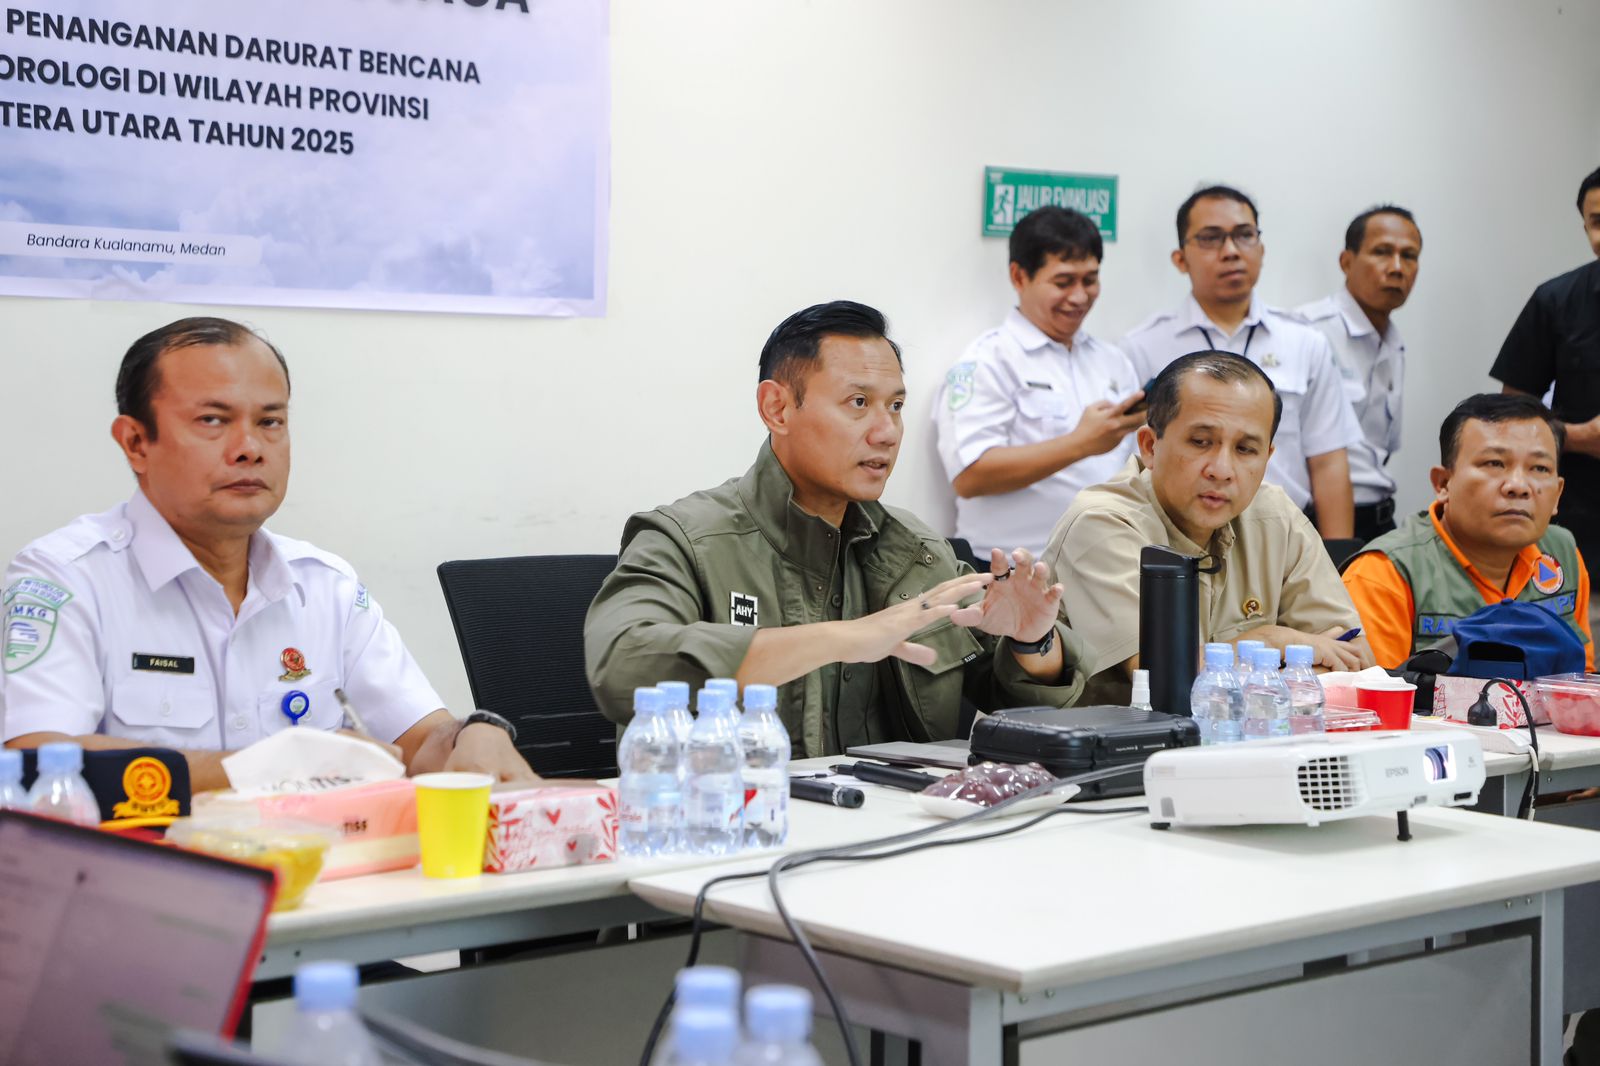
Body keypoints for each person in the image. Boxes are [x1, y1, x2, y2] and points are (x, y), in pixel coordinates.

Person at [1, 317, 537, 790]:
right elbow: (38, 759)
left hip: (323, 868)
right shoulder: (63, 579)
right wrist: (273, 767)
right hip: (139, 870)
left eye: (270, 422)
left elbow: (419, 743)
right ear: (136, 443)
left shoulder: (325, 585)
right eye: (213, 420)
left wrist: (474, 733)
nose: (250, 448)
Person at [584, 300, 1087, 758]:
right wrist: (844, 639)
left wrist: (1032, 643)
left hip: (897, 820)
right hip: (742, 817)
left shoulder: (917, 552)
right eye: (858, 403)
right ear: (777, 408)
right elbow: (623, 663)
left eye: (895, 406)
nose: (886, 432)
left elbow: (1021, 706)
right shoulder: (687, 540)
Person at [1042, 351, 1371, 704]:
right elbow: (1167, 683)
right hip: (1114, 739)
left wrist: (1250, 669)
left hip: (1247, 736)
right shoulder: (1100, 523)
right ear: (1150, 446)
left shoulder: (1275, 514)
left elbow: (1355, 660)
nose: (1222, 470)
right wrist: (1273, 642)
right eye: (1201, 442)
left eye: (1245, 449)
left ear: (1267, 458)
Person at [1119, 185, 1362, 538]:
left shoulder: (1305, 343)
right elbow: (1132, 464)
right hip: (1174, 539)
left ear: (1261, 249)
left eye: (1244, 235)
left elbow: (1328, 462)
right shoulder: (1143, 347)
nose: (1231, 251)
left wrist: (1337, 558)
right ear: (1180, 259)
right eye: (1210, 238)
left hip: (1282, 539)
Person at [934, 206, 1144, 558]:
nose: (1079, 296)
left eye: (1090, 280)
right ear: (1019, 277)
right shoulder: (988, 360)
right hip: (1008, 567)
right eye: (1063, 282)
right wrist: (1080, 443)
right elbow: (970, 476)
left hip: (1106, 561)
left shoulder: (1113, 360)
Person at [1341, 394, 1592, 671]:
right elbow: (1373, 694)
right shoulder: (1383, 574)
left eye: (1539, 468)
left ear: (1558, 493)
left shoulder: (1562, 554)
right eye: (1495, 463)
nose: (1518, 486)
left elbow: (1582, 683)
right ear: (1443, 483)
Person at [1492, 167, 1600, 630]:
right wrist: (1578, 437)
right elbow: (1510, 419)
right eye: (1597, 221)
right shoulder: (1556, 301)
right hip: (1583, 536)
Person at [1296, 205, 1423, 542]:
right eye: (1382, 252)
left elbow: (1379, 449)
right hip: (1319, 521)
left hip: (1379, 517)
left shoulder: (1393, 341)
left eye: (1409, 256)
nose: (1397, 267)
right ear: (1346, 261)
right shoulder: (1309, 332)